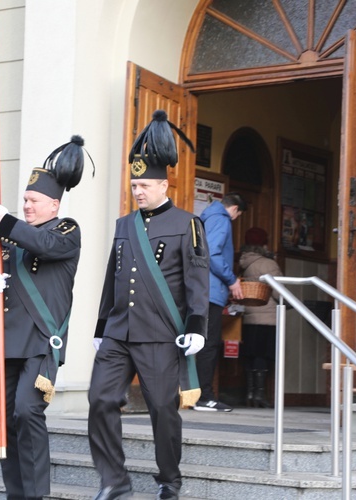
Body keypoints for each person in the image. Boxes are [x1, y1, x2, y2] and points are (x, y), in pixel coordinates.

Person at [88, 110, 209, 500]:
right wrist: (100, 327)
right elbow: (114, 276)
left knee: (162, 408)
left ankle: (169, 480)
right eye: (134, 185)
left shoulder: (187, 222)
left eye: (144, 185)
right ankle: (114, 479)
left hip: (160, 334)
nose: (138, 191)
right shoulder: (125, 224)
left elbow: (197, 280)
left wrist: (197, 326)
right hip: (119, 332)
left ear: (163, 183)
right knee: (100, 399)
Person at [0, 136, 90, 500]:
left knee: (27, 411)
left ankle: (36, 494)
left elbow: (44, 246)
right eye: (23, 200)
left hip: (41, 343)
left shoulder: (66, 231)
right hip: (6, 343)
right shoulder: (9, 239)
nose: (25, 206)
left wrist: (6, 222)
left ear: (53, 204)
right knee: (3, 425)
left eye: (33, 201)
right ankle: (17, 493)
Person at [192, 191, 247, 412]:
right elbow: (213, 253)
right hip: (211, 290)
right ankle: (204, 397)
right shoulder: (222, 220)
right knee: (208, 343)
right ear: (235, 210)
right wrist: (232, 279)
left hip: (198, 288)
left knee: (195, 340)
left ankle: (192, 394)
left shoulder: (205, 217)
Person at [239, 227, 283, 407]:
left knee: (250, 354)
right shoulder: (268, 264)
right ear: (264, 244)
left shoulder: (242, 261)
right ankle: (259, 395)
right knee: (263, 355)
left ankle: (249, 394)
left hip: (248, 315)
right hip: (267, 316)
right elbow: (279, 291)